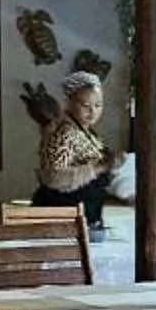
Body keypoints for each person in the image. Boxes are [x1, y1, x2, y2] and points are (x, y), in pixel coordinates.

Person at [33, 71, 121, 227]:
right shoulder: (65, 132)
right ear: (69, 102)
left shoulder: (88, 133)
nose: (92, 111)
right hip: (62, 216)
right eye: (85, 105)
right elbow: (53, 177)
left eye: (98, 105)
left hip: (84, 214)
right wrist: (98, 167)